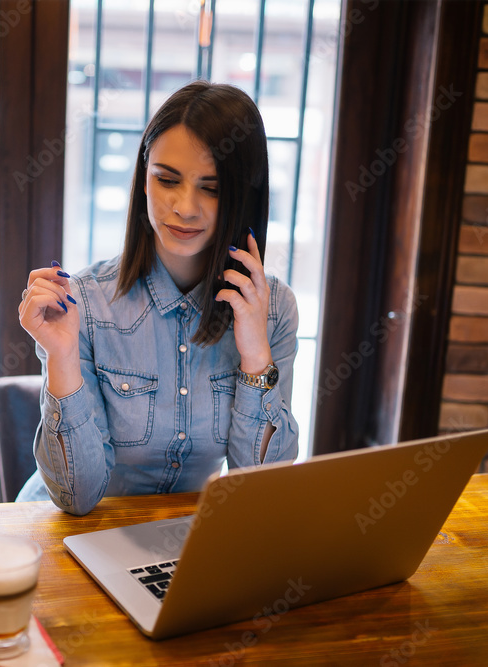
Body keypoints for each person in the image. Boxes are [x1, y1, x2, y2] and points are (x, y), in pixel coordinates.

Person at [15, 81, 299, 515]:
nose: (185, 207)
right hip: (79, 532)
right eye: (167, 179)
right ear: (144, 180)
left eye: (213, 187)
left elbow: (260, 492)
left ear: (244, 195)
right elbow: (78, 498)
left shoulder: (274, 310)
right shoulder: (87, 305)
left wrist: (256, 355)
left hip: (183, 539)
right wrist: (62, 356)